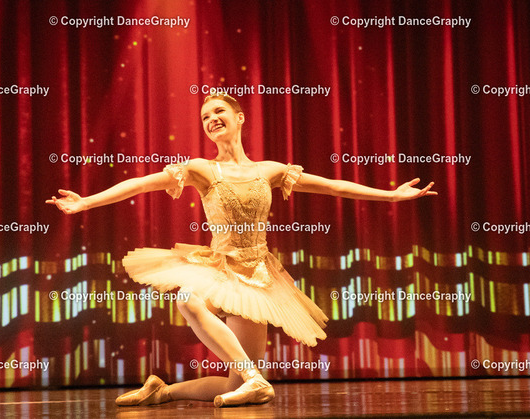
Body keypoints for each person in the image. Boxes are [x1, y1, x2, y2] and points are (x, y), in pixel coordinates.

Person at [46, 93, 437, 407]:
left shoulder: (269, 170)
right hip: (218, 266)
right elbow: (142, 184)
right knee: (189, 299)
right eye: (205, 116)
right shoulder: (203, 168)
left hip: (257, 275)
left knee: (234, 382)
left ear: (239, 117)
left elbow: (334, 187)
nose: (211, 119)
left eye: (219, 112)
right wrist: (86, 202)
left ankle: (162, 391)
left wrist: (390, 196)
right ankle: (254, 378)